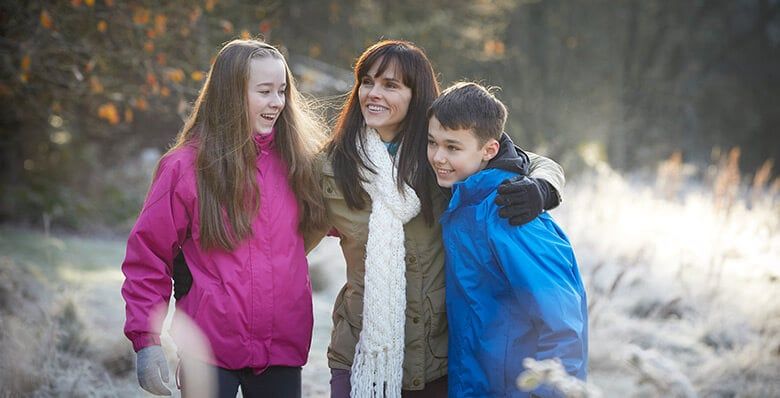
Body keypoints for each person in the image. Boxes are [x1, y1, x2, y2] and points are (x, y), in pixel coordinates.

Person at [312, 40, 568, 398]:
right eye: (367, 82)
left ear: (416, 95)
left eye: (390, 85)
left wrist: (543, 189)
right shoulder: (331, 167)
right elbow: (282, 226)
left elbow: (528, 160)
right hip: (360, 352)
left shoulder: (440, 155)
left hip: (437, 358)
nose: (373, 93)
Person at [121, 39, 327, 398]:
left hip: (282, 347)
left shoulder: (299, 164)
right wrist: (146, 339)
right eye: (264, 91)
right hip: (207, 349)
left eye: (281, 91)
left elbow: (348, 216)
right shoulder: (184, 167)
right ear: (231, 94)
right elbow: (149, 257)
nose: (277, 102)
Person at [427, 82, 588, 397]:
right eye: (432, 143)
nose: (438, 156)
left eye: (452, 147)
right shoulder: (463, 200)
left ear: (489, 150)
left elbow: (563, 328)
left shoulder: (510, 211)